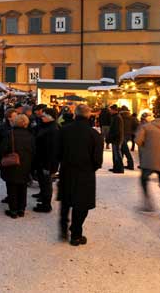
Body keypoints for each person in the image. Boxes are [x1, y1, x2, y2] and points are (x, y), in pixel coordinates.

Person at [57, 104, 103, 246]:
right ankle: (76, 234)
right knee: (81, 204)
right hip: (85, 173)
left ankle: (64, 229)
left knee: (66, 201)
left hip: (67, 170)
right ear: (89, 115)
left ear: (75, 114)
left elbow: (57, 152)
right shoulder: (94, 134)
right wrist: (91, 168)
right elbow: (97, 159)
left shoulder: (64, 130)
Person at [0, 114, 35, 218]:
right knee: (23, 187)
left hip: (12, 164)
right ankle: (21, 209)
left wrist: (2, 161)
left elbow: (2, 150)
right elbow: (34, 151)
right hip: (26, 165)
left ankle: (13, 210)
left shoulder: (9, 134)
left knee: (11, 187)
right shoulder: (30, 135)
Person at [33, 107, 60, 213]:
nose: (41, 117)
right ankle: (43, 198)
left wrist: (48, 166)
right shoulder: (46, 126)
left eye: (44, 116)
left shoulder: (53, 130)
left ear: (51, 117)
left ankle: (46, 205)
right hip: (41, 160)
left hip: (47, 162)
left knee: (46, 183)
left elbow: (52, 150)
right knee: (43, 182)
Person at [107, 105, 125, 173]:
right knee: (115, 154)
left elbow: (116, 130)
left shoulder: (117, 118)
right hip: (116, 138)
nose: (110, 111)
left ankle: (119, 168)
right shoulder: (115, 117)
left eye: (111, 110)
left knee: (117, 153)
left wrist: (111, 137)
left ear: (114, 110)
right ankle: (116, 167)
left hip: (117, 138)